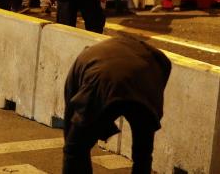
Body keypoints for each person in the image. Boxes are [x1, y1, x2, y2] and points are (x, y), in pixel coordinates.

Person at [63, 35, 172, 174]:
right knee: (143, 154)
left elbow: (72, 111)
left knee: (75, 149)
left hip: (103, 82)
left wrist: (72, 142)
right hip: (144, 84)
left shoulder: (84, 59)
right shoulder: (152, 54)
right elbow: (165, 66)